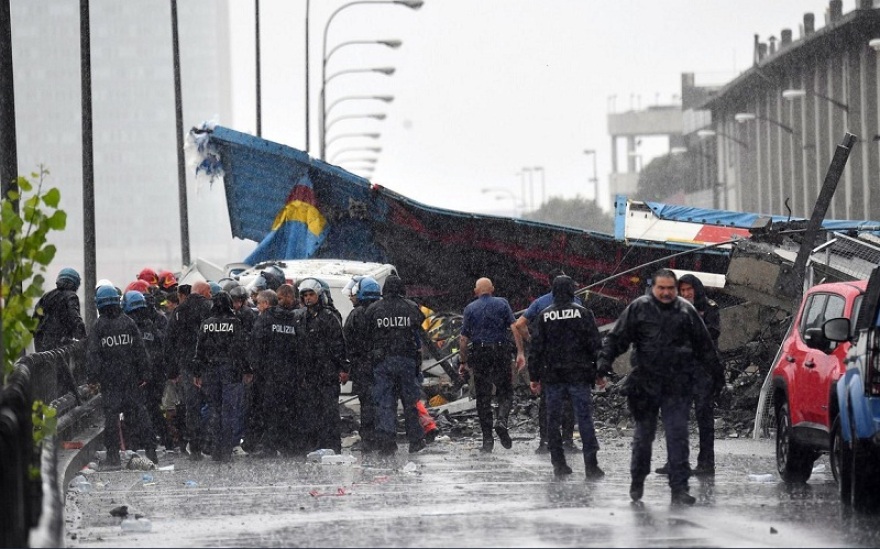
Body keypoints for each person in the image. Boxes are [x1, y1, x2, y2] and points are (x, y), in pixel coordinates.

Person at [597, 268, 722, 506]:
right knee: (644, 437)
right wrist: (603, 362)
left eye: (670, 289)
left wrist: (718, 375)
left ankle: (679, 488)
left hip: (677, 384)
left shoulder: (687, 311)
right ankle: (637, 480)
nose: (666, 293)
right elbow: (617, 338)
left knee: (678, 435)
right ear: (653, 289)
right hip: (646, 383)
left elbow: (706, 345)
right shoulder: (638, 309)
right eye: (661, 288)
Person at [528, 275, 606, 479]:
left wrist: (534, 377)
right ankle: (591, 465)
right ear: (572, 290)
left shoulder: (544, 316)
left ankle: (559, 463)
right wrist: (599, 373)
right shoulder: (583, 313)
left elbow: (536, 349)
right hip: (579, 375)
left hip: (553, 377)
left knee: (552, 420)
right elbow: (595, 345)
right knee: (585, 419)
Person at [656, 273, 722, 477]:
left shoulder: (710, 308)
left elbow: (712, 334)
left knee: (704, 417)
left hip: (703, 370)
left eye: (689, 290)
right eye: (682, 290)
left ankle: (706, 463)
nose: (686, 294)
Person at [87, 285, 158, 466]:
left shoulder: (98, 326)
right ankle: (150, 451)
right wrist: (145, 373)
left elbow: (93, 355)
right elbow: (140, 351)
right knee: (140, 415)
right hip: (130, 379)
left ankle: (113, 455)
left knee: (111, 419)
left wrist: (93, 378)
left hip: (110, 382)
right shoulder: (128, 323)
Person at [512, 268, 580, 454]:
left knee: (546, 402)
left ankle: (545, 441)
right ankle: (567, 441)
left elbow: (519, 324)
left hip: (548, 360)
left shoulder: (541, 304)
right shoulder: (577, 303)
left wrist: (532, 340)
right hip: (571, 360)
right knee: (569, 402)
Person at [458, 277, 525, 453]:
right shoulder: (502, 304)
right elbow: (514, 328)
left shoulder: (470, 308)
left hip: (480, 355)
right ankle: (501, 420)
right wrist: (520, 352)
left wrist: (463, 362)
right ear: (493, 289)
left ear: (475, 292)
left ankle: (487, 440)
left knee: (483, 398)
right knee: (505, 391)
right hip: (501, 352)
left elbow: (463, 339)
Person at [365, 275, 427, 454]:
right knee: (410, 402)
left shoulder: (374, 309)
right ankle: (415, 440)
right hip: (407, 361)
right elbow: (418, 329)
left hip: (383, 362)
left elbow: (367, 335)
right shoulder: (411, 307)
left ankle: (387, 440)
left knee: (385, 401)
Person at [192, 292, 252, 462]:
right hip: (231, 371)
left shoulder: (206, 324)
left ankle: (215, 449)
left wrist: (197, 372)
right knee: (229, 412)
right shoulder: (235, 323)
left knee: (214, 410)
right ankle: (226, 449)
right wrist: (247, 369)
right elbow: (242, 349)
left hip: (210, 372)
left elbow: (200, 351)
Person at [294, 278, 347, 454]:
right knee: (310, 412)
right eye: (305, 295)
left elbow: (339, 344)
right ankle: (313, 446)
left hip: (326, 372)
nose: (308, 298)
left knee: (329, 412)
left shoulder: (329, 317)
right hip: (308, 374)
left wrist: (342, 368)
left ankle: (332, 447)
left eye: (311, 294)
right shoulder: (300, 318)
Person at [249, 284, 300, 456]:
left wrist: (255, 370)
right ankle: (288, 446)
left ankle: (270, 446)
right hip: (290, 374)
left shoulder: (265, 319)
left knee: (269, 411)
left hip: (269, 374)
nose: (258, 307)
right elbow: (300, 347)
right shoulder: (292, 319)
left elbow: (256, 346)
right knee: (288, 410)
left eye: (259, 304)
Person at [165, 280, 213, 459]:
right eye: (208, 291)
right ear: (202, 291)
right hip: (208, 365)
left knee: (191, 407)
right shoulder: (210, 308)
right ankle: (213, 444)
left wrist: (172, 370)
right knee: (214, 404)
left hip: (187, 366)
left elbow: (168, 342)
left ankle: (195, 447)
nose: (210, 294)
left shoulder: (179, 312)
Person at [124, 290, 169, 449]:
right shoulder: (149, 324)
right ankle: (156, 441)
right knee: (151, 408)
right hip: (152, 374)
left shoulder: (129, 325)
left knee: (140, 409)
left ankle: (141, 443)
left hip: (141, 375)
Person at [343, 276, 382, 452]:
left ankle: (368, 439)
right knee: (382, 402)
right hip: (380, 365)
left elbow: (347, 341)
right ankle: (383, 436)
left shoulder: (356, 314)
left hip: (362, 366)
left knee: (366, 403)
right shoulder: (381, 310)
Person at [33, 268, 87, 352]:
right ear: (75, 283)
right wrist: (84, 339)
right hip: (59, 344)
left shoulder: (47, 296)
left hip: (41, 344)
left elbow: (35, 320)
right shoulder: (71, 296)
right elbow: (75, 319)